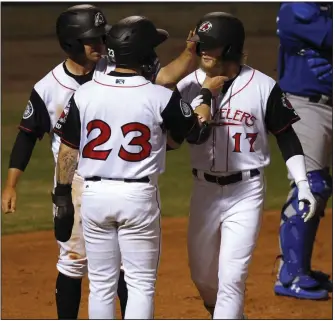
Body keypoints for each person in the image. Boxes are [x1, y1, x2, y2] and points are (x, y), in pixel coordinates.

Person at [1, 5, 198, 319]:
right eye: (91, 39)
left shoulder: (111, 69)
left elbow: (159, 79)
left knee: (113, 272)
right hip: (80, 183)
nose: (100, 45)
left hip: (95, 187)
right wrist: (13, 186)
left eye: (102, 38)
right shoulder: (48, 88)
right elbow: (27, 136)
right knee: (74, 261)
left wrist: (189, 55)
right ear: (70, 42)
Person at [52, 15, 219, 319]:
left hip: (94, 196)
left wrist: (62, 196)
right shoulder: (158, 96)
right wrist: (206, 95)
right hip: (137, 199)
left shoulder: (85, 93)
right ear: (143, 55)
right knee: (139, 283)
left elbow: (67, 148)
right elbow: (196, 132)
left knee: (100, 284)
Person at [176, 12, 317, 319]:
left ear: (228, 48)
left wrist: (303, 184)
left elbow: (286, 136)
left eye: (209, 46)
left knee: (232, 279)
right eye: (200, 45)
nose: (202, 51)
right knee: (203, 278)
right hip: (203, 192)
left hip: (246, 192)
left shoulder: (263, 87)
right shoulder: (187, 86)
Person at [274, 2, 333, 300]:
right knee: (310, 185)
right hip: (306, 104)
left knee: (320, 186)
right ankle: (290, 275)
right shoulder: (298, 7)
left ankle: (302, 269)